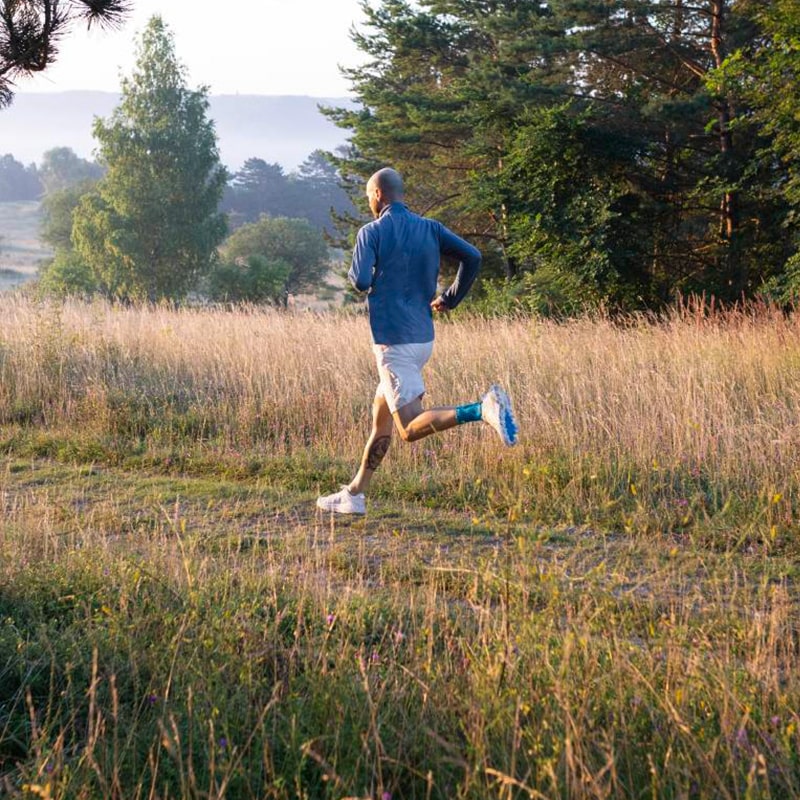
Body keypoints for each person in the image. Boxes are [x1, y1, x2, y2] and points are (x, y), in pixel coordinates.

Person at [316, 167, 517, 515]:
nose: (369, 202)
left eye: (368, 196)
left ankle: (482, 409)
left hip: (393, 342)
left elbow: (360, 281)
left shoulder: (371, 232)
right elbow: (473, 256)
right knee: (381, 416)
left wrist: (367, 275)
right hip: (423, 338)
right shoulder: (431, 228)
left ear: (378, 194)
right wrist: (450, 298)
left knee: (408, 427)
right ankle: (355, 494)